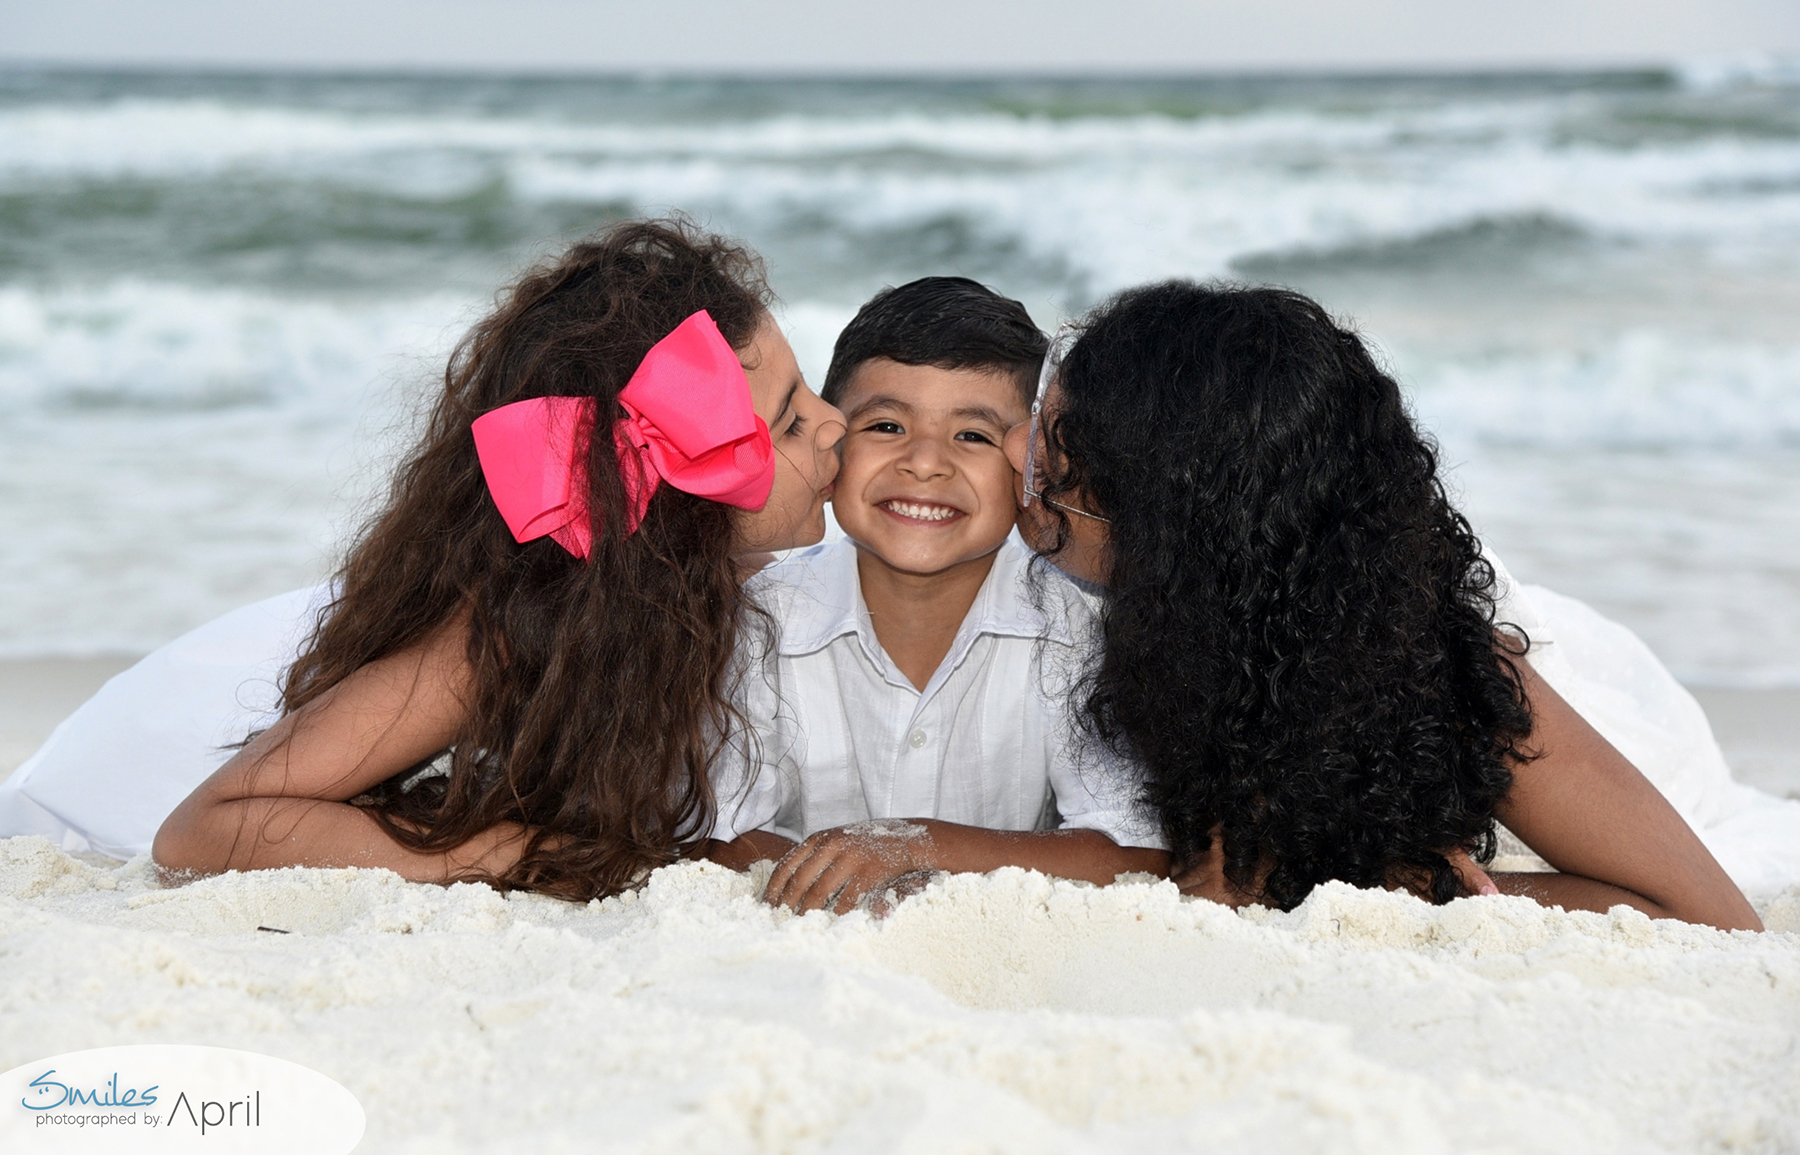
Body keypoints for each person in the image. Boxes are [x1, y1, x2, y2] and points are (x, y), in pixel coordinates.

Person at [1, 218, 846, 902]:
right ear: (677, 503)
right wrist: (522, 855)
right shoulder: (511, 628)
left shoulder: (673, 593)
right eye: (791, 421)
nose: (836, 422)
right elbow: (202, 830)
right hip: (162, 783)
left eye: (809, 393)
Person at [1002, 281, 1769, 931]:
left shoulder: (1452, 671)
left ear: (1167, 534)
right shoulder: (1190, 624)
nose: (1015, 460)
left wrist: (1402, 888)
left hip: (1614, 726)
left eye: (1052, 461)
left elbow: (1713, 917)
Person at [706, 277, 1167, 913]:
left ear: (1028, 463)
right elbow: (718, 840)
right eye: (888, 425)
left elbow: (1132, 853)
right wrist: (858, 863)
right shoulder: (759, 624)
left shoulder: (1077, 628)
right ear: (832, 441)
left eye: (973, 435)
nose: (925, 462)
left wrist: (921, 845)